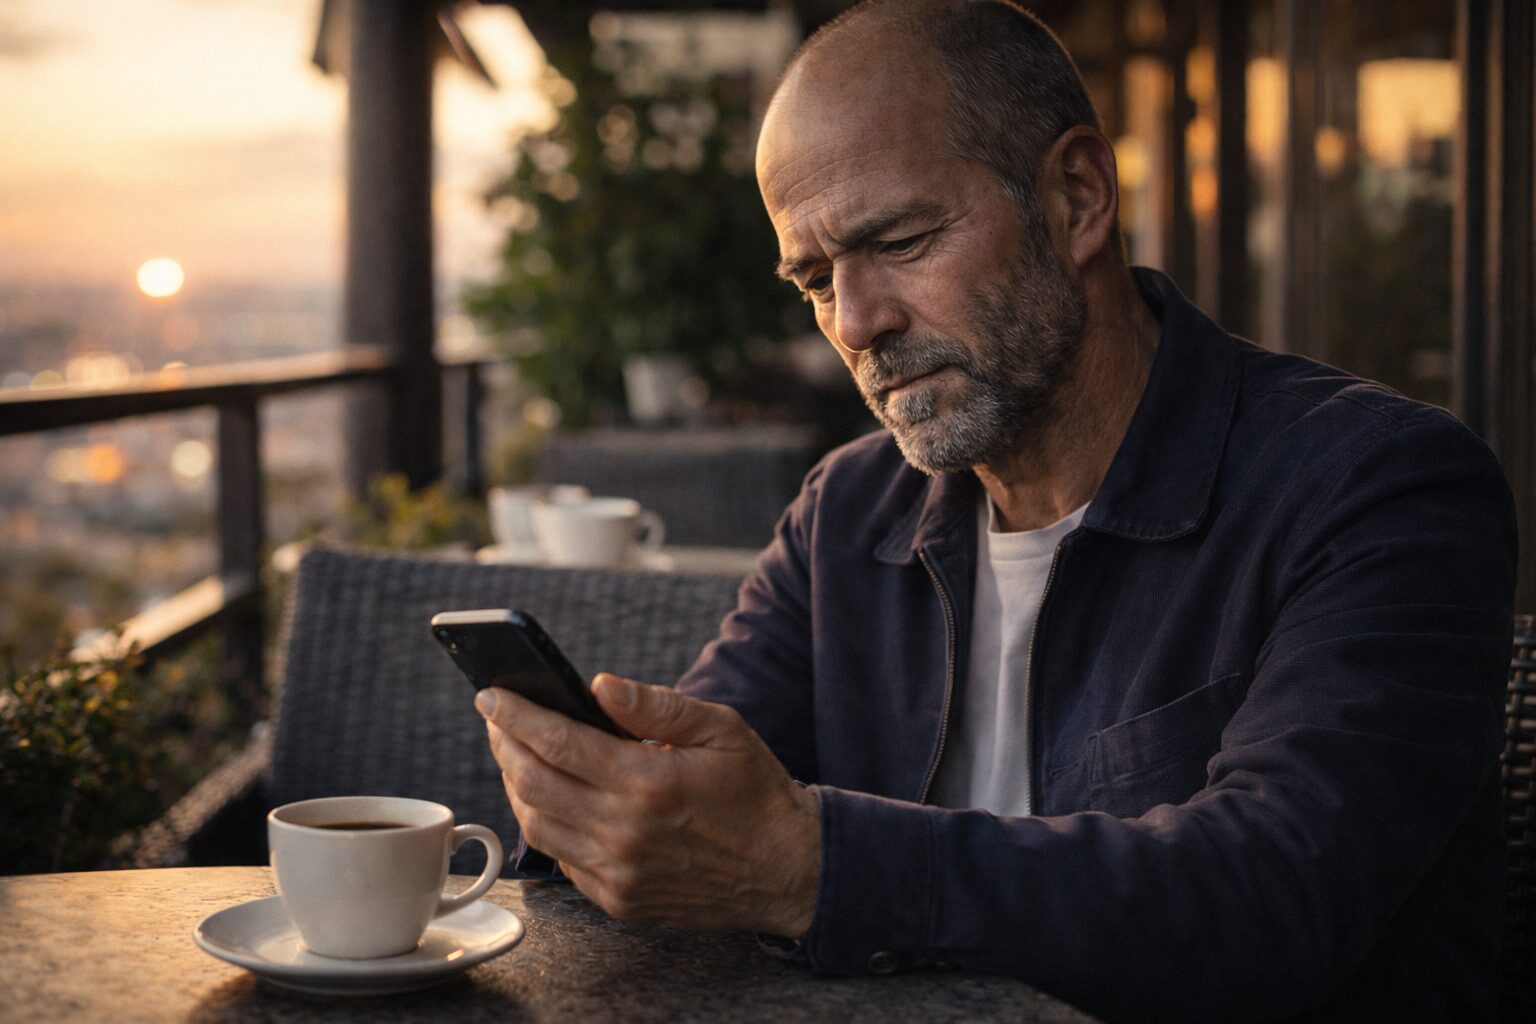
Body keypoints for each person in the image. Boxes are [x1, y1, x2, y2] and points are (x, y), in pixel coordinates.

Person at [474, 1, 1518, 1019]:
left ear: (1075, 198)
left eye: (903, 241)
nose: (859, 320)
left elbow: (1272, 901)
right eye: (814, 279)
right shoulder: (849, 514)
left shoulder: (1379, 487)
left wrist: (814, 867)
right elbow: (705, 817)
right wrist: (611, 815)